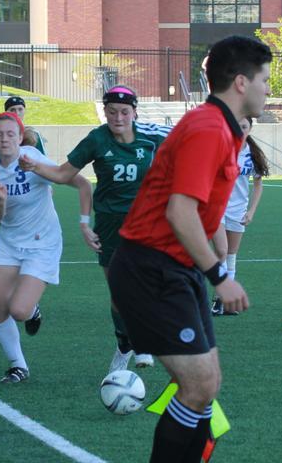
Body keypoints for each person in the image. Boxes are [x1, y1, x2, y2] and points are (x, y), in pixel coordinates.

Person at [107, 35, 271, 462]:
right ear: (241, 82)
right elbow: (181, 212)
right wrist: (220, 275)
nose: (269, 89)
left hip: (177, 269)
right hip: (150, 269)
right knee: (197, 385)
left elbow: (201, 212)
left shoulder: (225, 128)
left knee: (205, 385)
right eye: (265, 80)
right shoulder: (208, 128)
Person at [19, 84, 170, 372]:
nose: (118, 118)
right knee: (118, 294)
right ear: (105, 112)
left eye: (124, 112)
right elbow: (63, 173)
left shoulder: (153, 136)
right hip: (110, 225)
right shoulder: (97, 139)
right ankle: (124, 343)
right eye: (111, 112)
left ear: (134, 112)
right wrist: (35, 167)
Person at [0, 111, 92, 383]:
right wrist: (1, 202)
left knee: (19, 311)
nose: (4, 139)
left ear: (20, 138)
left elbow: (82, 183)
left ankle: (33, 311)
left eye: (10, 134)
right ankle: (18, 365)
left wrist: (84, 222)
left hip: (43, 242)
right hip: (8, 241)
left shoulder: (33, 158)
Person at [210, 116, 270, 316]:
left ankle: (227, 301)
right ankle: (219, 297)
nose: (240, 130)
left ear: (250, 128)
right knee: (221, 250)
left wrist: (251, 211)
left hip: (238, 209)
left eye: (244, 126)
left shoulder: (252, 154)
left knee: (231, 255)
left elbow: (258, 185)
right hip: (216, 207)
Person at [0, 96, 46, 215]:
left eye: (20, 109)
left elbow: (44, 166)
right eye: (12, 110)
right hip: (6, 186)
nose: (17, 113)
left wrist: (47, 187)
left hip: (28, 186)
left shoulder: (34, 136)